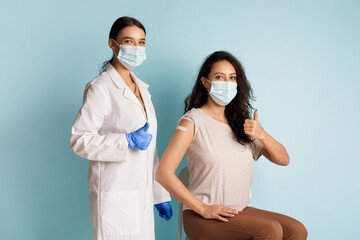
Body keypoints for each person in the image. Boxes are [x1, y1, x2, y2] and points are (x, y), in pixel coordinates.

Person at [156, 51, 308, 240]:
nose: (227, 84)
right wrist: (203, 208)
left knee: (297, 230)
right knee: (269, 231)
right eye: (219, 77)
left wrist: (261, 134)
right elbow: (163, 173)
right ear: (205, 83)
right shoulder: (193, 121)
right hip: (202, 216)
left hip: (237, 211)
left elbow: (283, 159)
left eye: (232, 78)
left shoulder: (241, 124)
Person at [70, 16, 172, 240]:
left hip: (143, 199)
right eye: (129, 41)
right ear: (112, 44)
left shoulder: (143, 90)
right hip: (114, 197)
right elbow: (79, 140)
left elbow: (150, 149)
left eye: (141, 42)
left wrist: (159, 194)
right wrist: (125, 140)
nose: (136, 48)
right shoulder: (100, 88)